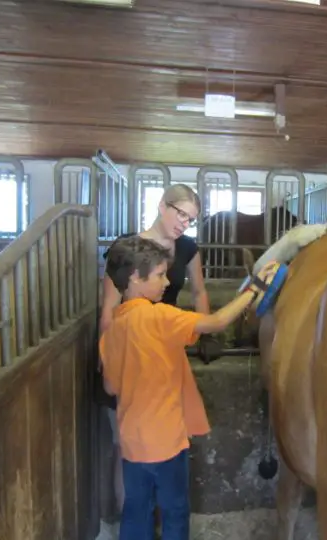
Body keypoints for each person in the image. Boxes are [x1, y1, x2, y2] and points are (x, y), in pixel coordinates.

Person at [99, 235, 279, 540]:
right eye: (159, 275)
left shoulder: (112, 330)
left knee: (136, 509)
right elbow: (218, 321)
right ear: (134, 278)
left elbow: (110, 386)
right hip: (167, 440)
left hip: (133, 442)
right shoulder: (161, 316)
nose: (167, 282)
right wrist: (255, 289)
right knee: (175, 510)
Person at [98, 183, 217, 520]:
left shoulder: (189, 249)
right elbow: (108, 309)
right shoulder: (126, 249)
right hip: (131, 351)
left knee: (168, 438)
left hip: (166, 355)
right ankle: (133, 518)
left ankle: (158, 520)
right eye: (181, 214)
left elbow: (199, 290)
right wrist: (109, 362)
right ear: (161, 206)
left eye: (191, 219)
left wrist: (204, 330)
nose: (184, 223)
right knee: (128, 445)